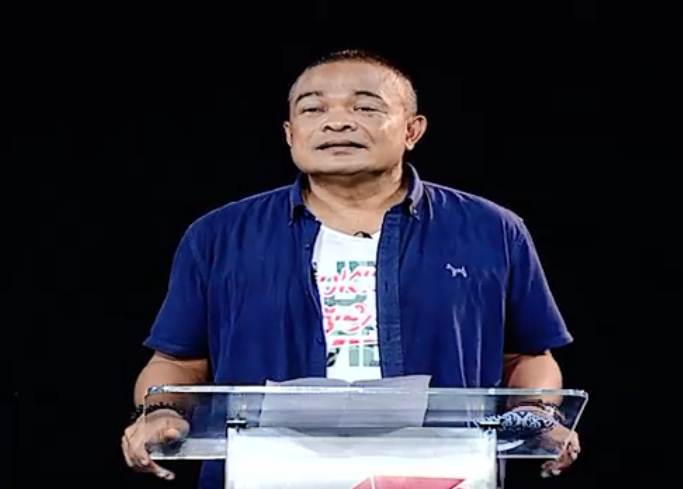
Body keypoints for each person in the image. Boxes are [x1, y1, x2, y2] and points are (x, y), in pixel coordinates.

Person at [121, 49, 581, 488]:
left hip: (441, 473)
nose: (337, 121)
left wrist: (539, 413)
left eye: (365, 107)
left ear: (412, 130)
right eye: (313, 109)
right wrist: (159, 412)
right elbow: (176, 362)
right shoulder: (219, 236)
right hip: (269, 473)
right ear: (289, 133)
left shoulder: (491, 230)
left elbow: (528, 357)